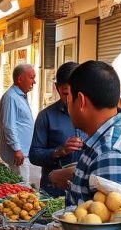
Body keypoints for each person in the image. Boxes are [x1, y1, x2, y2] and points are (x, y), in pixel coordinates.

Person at [50, 61, 121, 206]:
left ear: (81, 101)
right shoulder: (104, 143)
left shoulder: (111, 153)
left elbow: (112, 224)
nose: (67, 104)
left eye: (69, 99)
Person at [29, 62, 83, 197]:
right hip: (54, 192)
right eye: (65, 93)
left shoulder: (93, 115)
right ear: (57, 88)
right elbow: (34, 155)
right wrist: (59, 151)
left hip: (85, 192)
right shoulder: (46, 116)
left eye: (74, 92)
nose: (69, 98)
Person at [0, 64, 37, 182]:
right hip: (18, 155)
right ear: (20, 79)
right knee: (20, 189)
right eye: (31, 77)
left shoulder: (19, 96)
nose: (34, 82)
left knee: (20, 188)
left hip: (23, 152)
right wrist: (17, 149)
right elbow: (9, 125)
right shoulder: (11, 97)